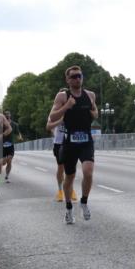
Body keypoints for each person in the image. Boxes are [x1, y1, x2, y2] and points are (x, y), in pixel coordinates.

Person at [47, 66, 97, 224]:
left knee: (88, 172)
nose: (77, 79)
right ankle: (69, 208)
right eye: (74, 76)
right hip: (69, 142)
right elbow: (52, 116)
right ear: (68, 80)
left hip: (86, 140)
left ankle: (84, 202)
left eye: (79, 76)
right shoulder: (62, 96)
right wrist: (66, 106)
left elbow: (95, 111)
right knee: (69, 177)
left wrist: (94, 114)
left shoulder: (90, 95)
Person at [46, 113, 77, 203]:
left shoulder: (72, 110)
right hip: (59, 144)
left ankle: (71, 189)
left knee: (71, 168)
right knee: (61, 168)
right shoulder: (55, 113)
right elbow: (48, 126)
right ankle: (60, 191)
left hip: (71, 142)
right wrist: (59, 121)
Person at [0, 110, 21, 182]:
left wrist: (19, 137)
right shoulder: (1, 124)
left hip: (10, 144)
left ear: (10, 115)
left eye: (8, 113)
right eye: (5, 114)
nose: (7, 115)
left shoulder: (14, 124)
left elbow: (18, 133)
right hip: (2, 144)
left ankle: (7, 176)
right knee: (3, 162)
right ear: (3, 116)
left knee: (9, 161)